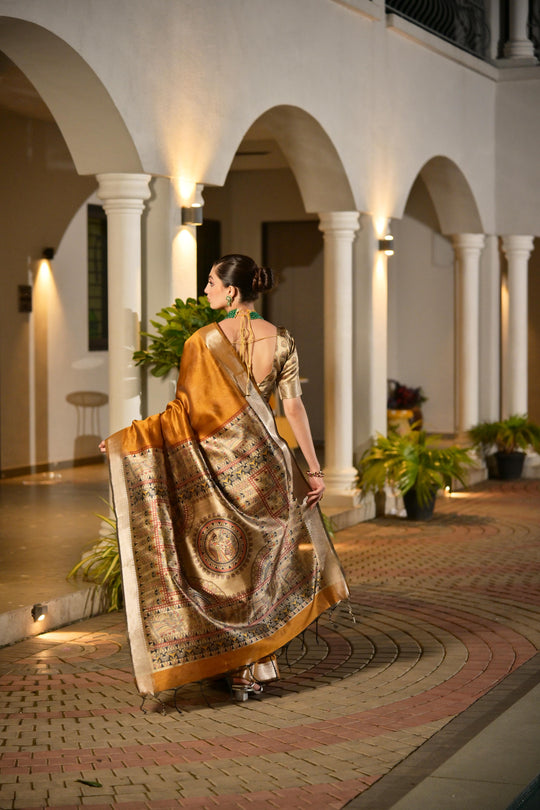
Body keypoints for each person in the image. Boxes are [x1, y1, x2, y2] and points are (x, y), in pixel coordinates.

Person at [103, 254, 349, 702]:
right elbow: (293, 409)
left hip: (217, 467)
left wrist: (128, 439)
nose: (206, 291)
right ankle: (253, 666)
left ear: (232, 291)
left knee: (228, 567)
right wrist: (313, 470)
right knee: (263, 569)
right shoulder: (283, 341)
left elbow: (182, 414)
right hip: (268, 466)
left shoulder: (202, 342)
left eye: (211, 283)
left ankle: (236, 663)